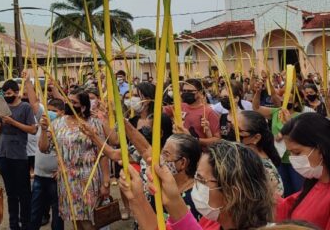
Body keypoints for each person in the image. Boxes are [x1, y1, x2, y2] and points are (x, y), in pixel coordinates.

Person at [120, 140, 274, 230]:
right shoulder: (212, 222)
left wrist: (174, 202)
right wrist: (137, 198)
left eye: (201, 180)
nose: (195, 185)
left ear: (232, 193)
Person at [40, 89, 109, 230]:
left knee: (88, 219)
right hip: (66, 180)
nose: (68, 104)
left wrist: (106, 183)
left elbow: (103, 153)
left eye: (73, 102)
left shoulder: (93, 123)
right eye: (68, 100)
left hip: (87, 179)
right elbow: (44, 148)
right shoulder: (58, 123)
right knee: (74, 218)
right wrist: (43, 129)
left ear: (83, 106)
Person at [0, 80, 36, 230]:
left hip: (19, 156)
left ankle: (26, 224)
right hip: (4, 155)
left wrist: (13, 122)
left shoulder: (25, 107)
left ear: (16, 92)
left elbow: (33, 130)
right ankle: (14, 225)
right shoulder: (3, 106)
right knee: (11, 193)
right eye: (4, 93)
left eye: (9, 93)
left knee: (24, 194)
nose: (7, 96)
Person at [30, 99, 66, 230]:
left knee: (57, 214)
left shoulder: (65, 128)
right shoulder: (43, 123)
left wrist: (63, 169)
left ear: (62, 113)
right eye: (48, 110)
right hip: (39, 175)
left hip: (56, 178)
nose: (50, 113)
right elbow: (43, 148)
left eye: (54, 111)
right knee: (35, 212)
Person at [238, 110, 284, 197]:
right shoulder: (244, 155)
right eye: (232, 127)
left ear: (256, 137)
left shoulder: (265, 169)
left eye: (239, 130)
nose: (234, 133)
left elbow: (276, 200)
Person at [174, 79, 221, 148]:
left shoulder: (208, 112)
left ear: (200, 92)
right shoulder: (181, 106)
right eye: (184, 91)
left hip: (200, 154)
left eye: (190, 91)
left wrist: (193, 139)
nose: (186, 93)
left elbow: (217, 140)